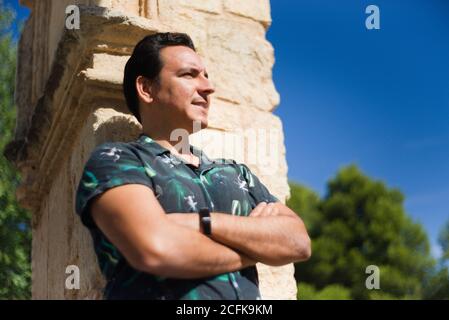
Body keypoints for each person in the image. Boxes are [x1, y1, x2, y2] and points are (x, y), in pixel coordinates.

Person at [75, 32, 311, 300]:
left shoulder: (236, 174)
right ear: (146, 88)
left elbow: (298, 242)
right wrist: (256, 247)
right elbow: (155, 248)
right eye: (189, 75)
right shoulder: (116, 161)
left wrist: (204, 223)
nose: (208, 87)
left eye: (206, 76)